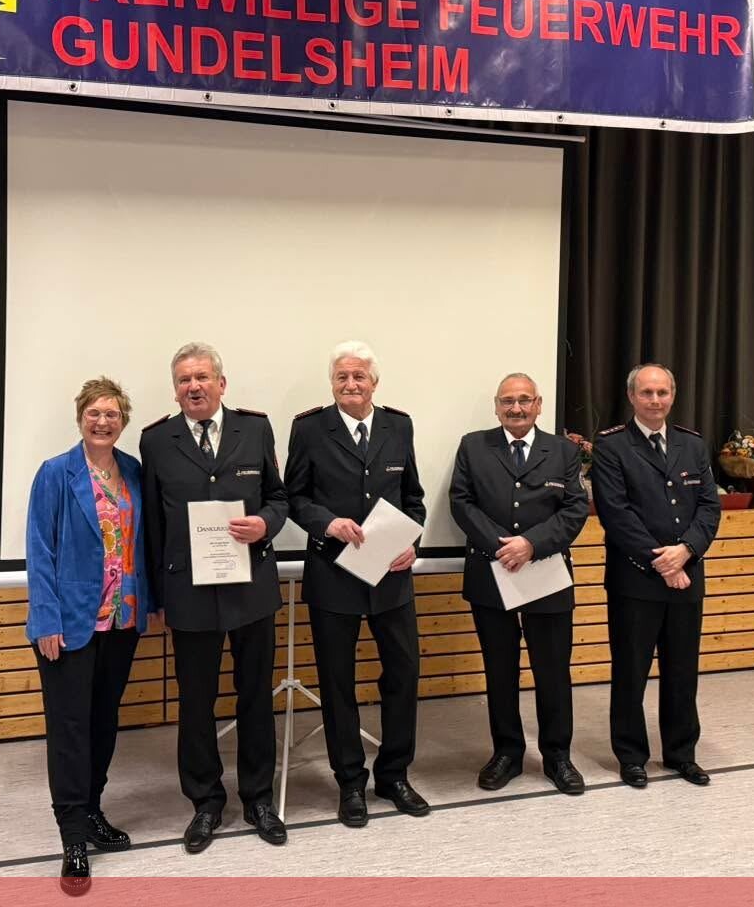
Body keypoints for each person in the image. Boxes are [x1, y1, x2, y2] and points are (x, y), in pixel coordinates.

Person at [140, 342, 289, 853]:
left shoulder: (256, 429)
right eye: (184, 380)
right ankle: (205, 802)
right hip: (189, 592)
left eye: (202, 377)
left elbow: (279, 497)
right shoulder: (157, 440)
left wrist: (265, 524)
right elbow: (153, 525)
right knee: (196, 703)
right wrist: (157, 596)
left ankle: (259, 799)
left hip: (251, 587)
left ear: (221, 384)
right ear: (175, 390)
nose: (194, 386)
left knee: (256, 698)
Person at [283, 340, 429, 828]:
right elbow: (294, 496)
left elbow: (413, 498)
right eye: (342, 377)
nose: (350, 384)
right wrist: (327, 523)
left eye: (359, 376)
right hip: (333, 574)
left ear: (374, 382)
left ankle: (394, 775)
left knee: (403, 674)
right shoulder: (309, 428)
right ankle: (350, 782)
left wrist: (413, 542)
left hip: (391, 576)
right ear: (332, 383)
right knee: (337, 682)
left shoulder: (399, 426)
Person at [26, 376, 155, 896]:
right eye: (94, 413)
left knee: (103, 723)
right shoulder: (55, 473)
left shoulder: (134, 472)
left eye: (112, 414)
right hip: (69, 623)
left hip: (122, 619)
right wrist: (46, 619)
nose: (103, 422)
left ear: (123, 421)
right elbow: (40, 549)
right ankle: (73, 837)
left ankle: (93, 810)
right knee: (70, 730)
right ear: (80, 417)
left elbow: (144, 542)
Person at [449, 372, 591, 796]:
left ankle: (557, 756)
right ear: (496, 407)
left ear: (538, 405)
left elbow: (575, 508)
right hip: (491, 574)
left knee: (553, 671)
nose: (516, 408)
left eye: (524, 400)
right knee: (500, 670)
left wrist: (531, 545)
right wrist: (502, 547)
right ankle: (507, 753)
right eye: (507, 401)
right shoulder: (473, 446)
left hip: (547, 574)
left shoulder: (563, 451)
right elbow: (461, 502)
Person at [590, 363, 720, 790]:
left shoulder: (692, 444)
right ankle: (631, 756)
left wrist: (686, 552)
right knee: (631, 672)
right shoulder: (611, 446)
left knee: (683, 672)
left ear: (672, 395)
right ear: (632, 397)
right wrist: (663, 563)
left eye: (662, 392)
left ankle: (682, 754)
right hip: (635, 581)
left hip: (687, 575)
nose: (655, 400)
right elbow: (616, 514)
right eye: (646, 392)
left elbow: (708, 508)